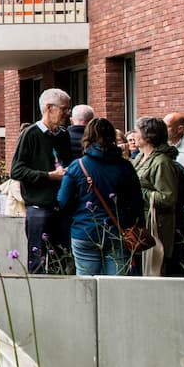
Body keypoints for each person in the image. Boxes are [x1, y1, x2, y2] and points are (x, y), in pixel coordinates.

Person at [57, 118, 144, 276]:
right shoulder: (125, 167)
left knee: (86, 287)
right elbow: (136, 202)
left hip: (85, 230)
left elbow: (63, 201)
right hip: (118, 231)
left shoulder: (78, 166)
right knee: (116, 286)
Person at [10, 88, 75, 273]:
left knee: (61, 261)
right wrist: (48, 176)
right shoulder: (30, 134)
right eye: (64, 108)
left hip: (61, 208)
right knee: (37, 261)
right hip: (39, 208)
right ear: (49, 108)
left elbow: (68, 162)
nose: (67, 113)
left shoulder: (63, 135)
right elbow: (16, 170)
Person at [132, 116, 181, 277]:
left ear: (148, 136)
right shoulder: (140, 157)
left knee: (154, 269)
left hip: (156, 227)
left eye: (137, 131)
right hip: (141, 225)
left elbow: (168, 198)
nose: (134, 135)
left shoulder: (161, 162)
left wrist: (141, 192)